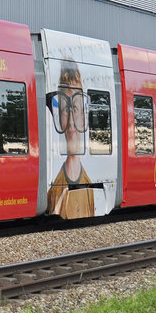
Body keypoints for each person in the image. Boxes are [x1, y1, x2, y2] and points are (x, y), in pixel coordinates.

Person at [46, 59, 96, 219]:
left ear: (83, 114)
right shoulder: (54, 190)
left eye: (75, 107)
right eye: (66, 109)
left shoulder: (90, 185)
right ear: (59, 117)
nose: (72, 123)